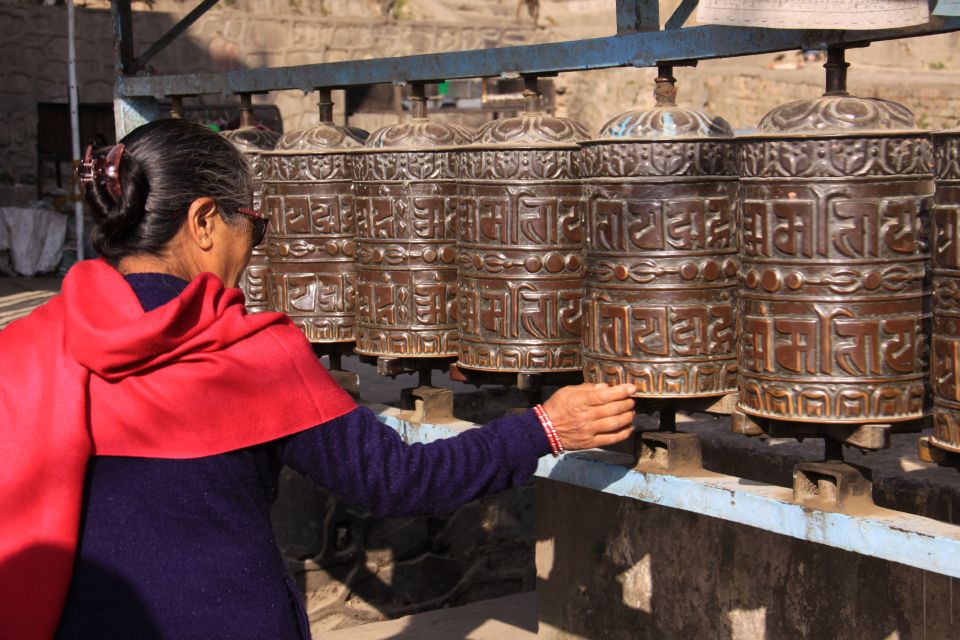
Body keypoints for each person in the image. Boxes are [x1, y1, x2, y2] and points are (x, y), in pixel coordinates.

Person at [0, 119, 636, 639]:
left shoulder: (28, 346)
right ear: (202, 223)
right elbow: (396, 479)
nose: (254, 247)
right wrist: (545, 428)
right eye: (254, 224)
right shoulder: (249, 355)